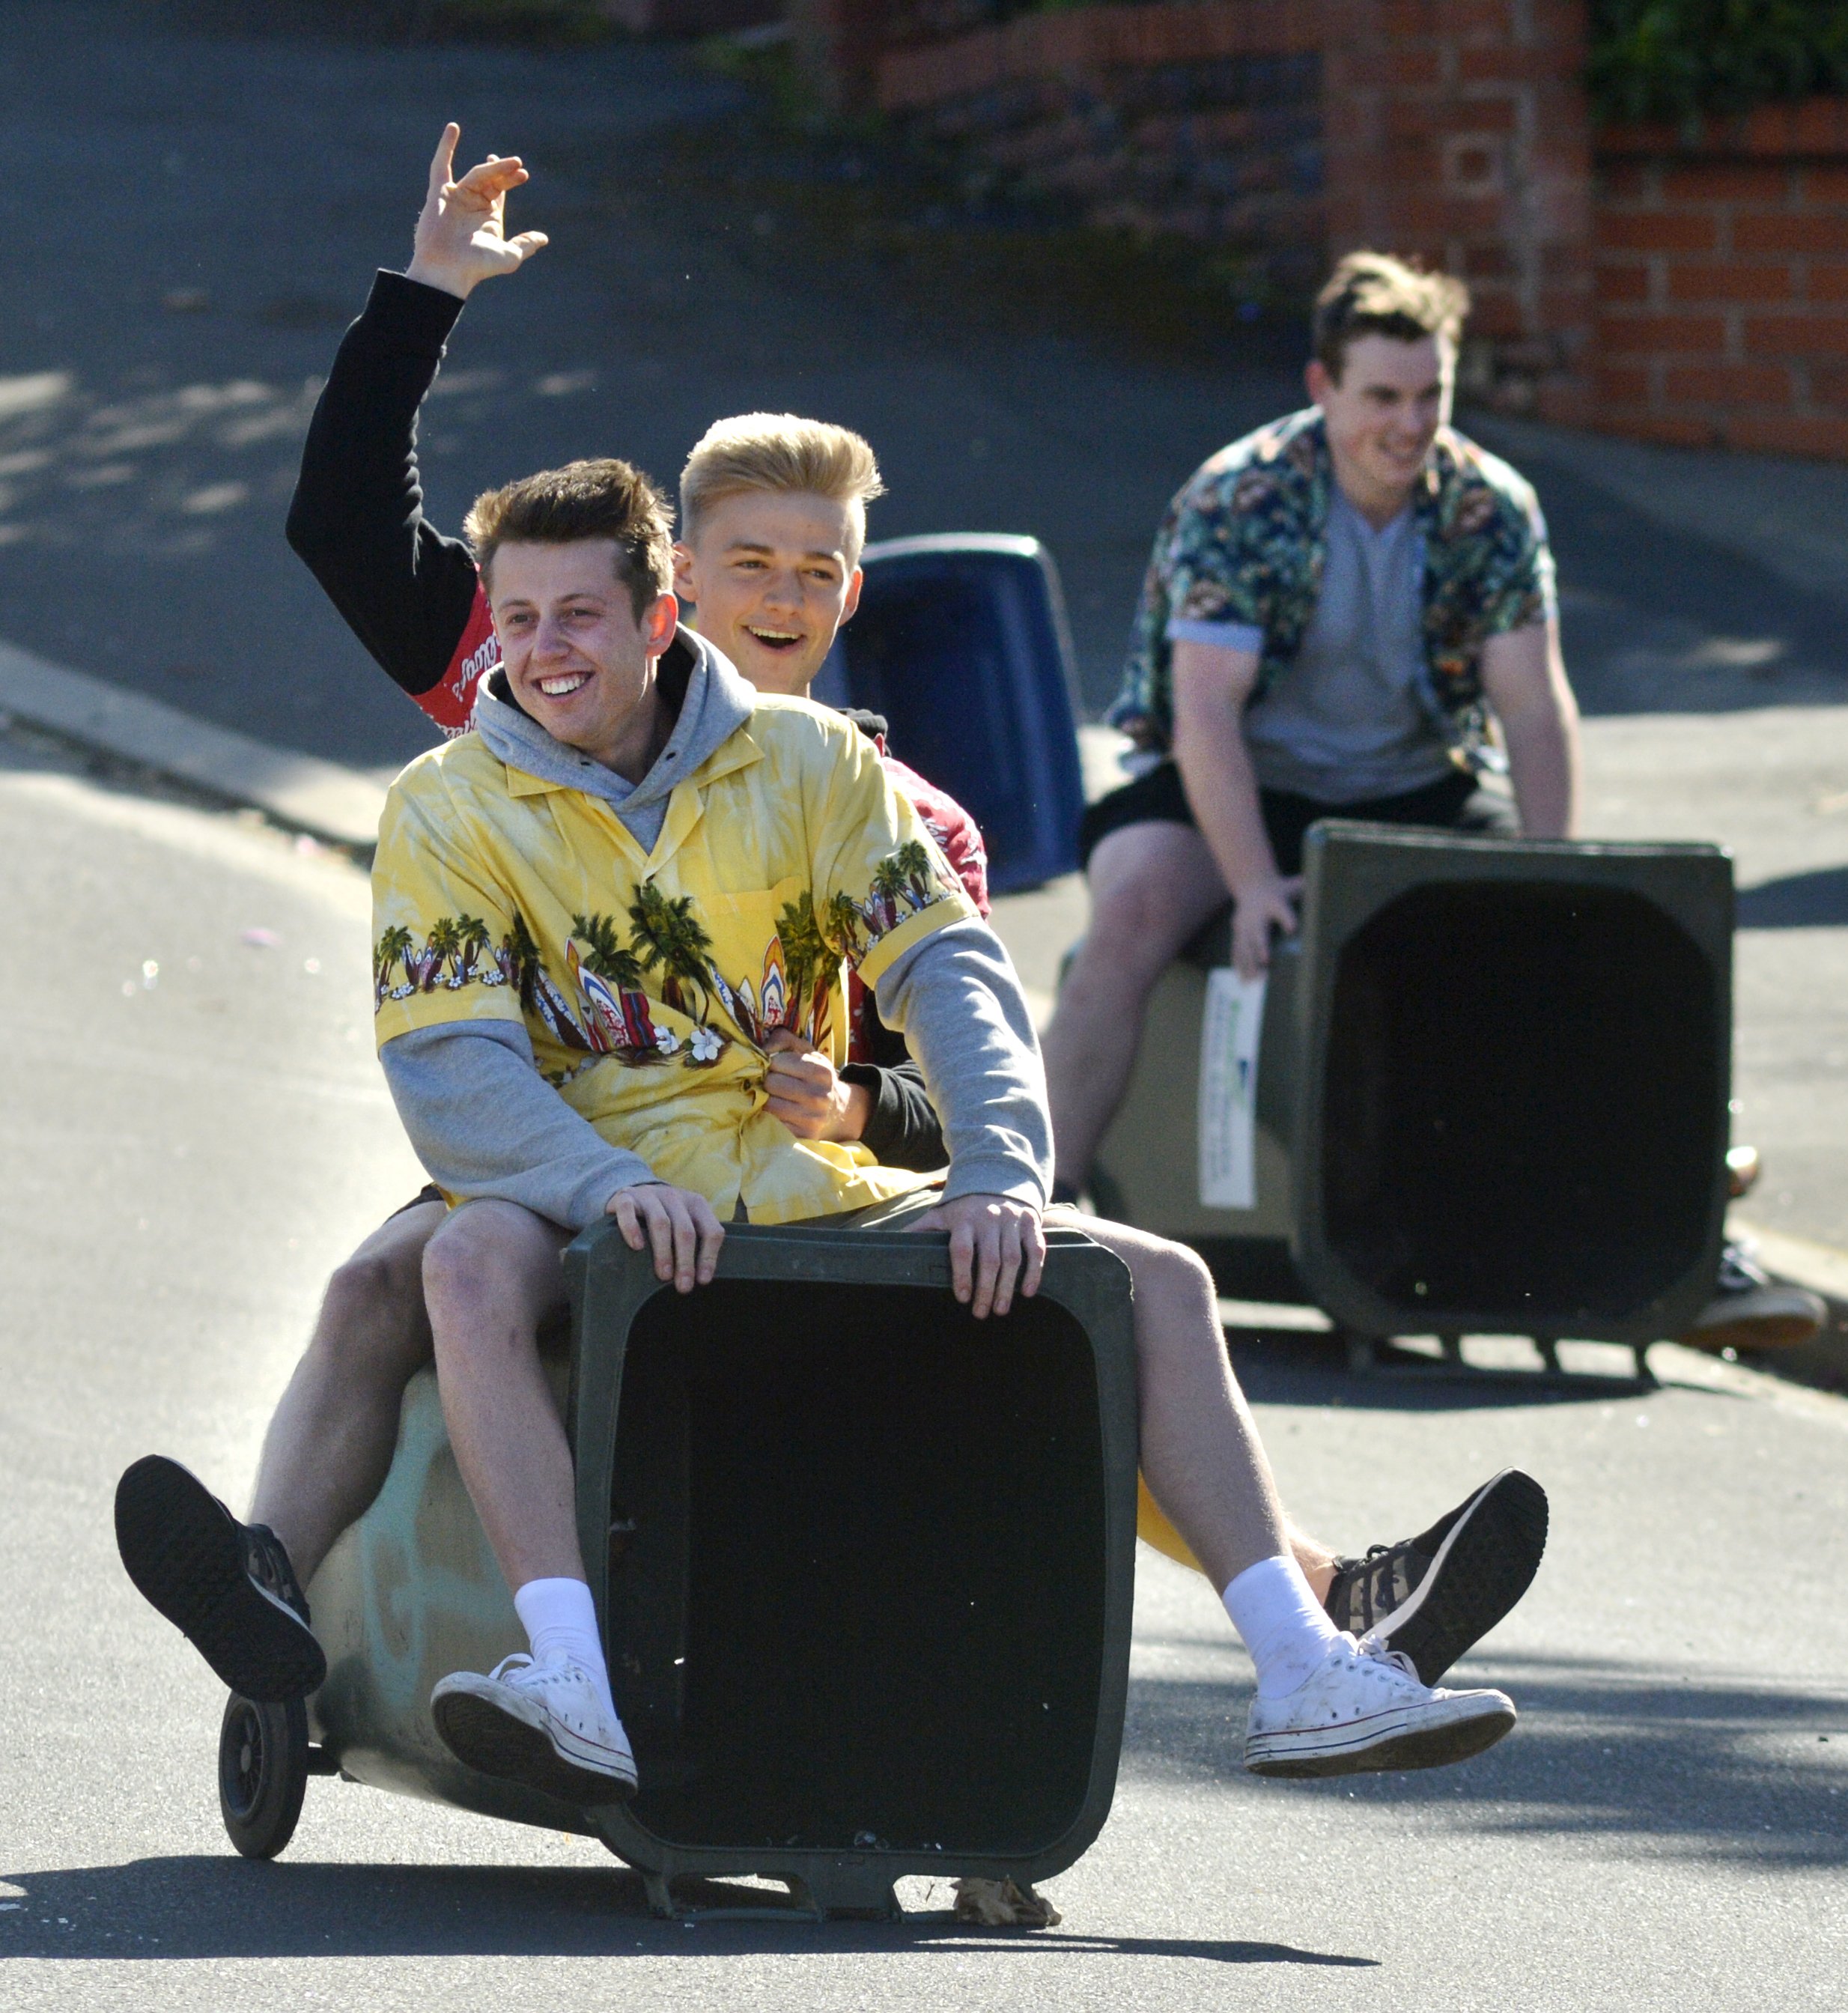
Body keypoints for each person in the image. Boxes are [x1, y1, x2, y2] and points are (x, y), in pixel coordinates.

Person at [115, 136, 1546, 1758]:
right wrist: (429, 292)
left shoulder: (876, 794)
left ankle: (1318, 1610)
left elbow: (943, 1049)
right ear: (679, 586)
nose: (781, 601)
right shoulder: (516, 677)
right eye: (749, 568)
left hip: (783, 1172)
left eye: (817, 572)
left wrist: (893, 1123)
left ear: (850, 591)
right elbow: (344, 525)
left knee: (1063, 1284)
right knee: (400, 1275)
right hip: (550, 1143)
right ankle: (278, 1603)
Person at [1039, 250, 1823, 1354]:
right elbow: (1202, 715)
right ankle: (1039, 1214)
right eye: (1382, 398)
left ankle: (1697, 1244)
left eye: (1430, 397)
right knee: (1127, 912)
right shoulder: (1243, 494)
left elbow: (1534, 710)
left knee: (1618, 940)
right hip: (1243, 781)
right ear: (1324, 389)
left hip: (1416, 781)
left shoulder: (1490, 507)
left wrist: (1559, 885)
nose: (1408, 426)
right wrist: (1256, 881)